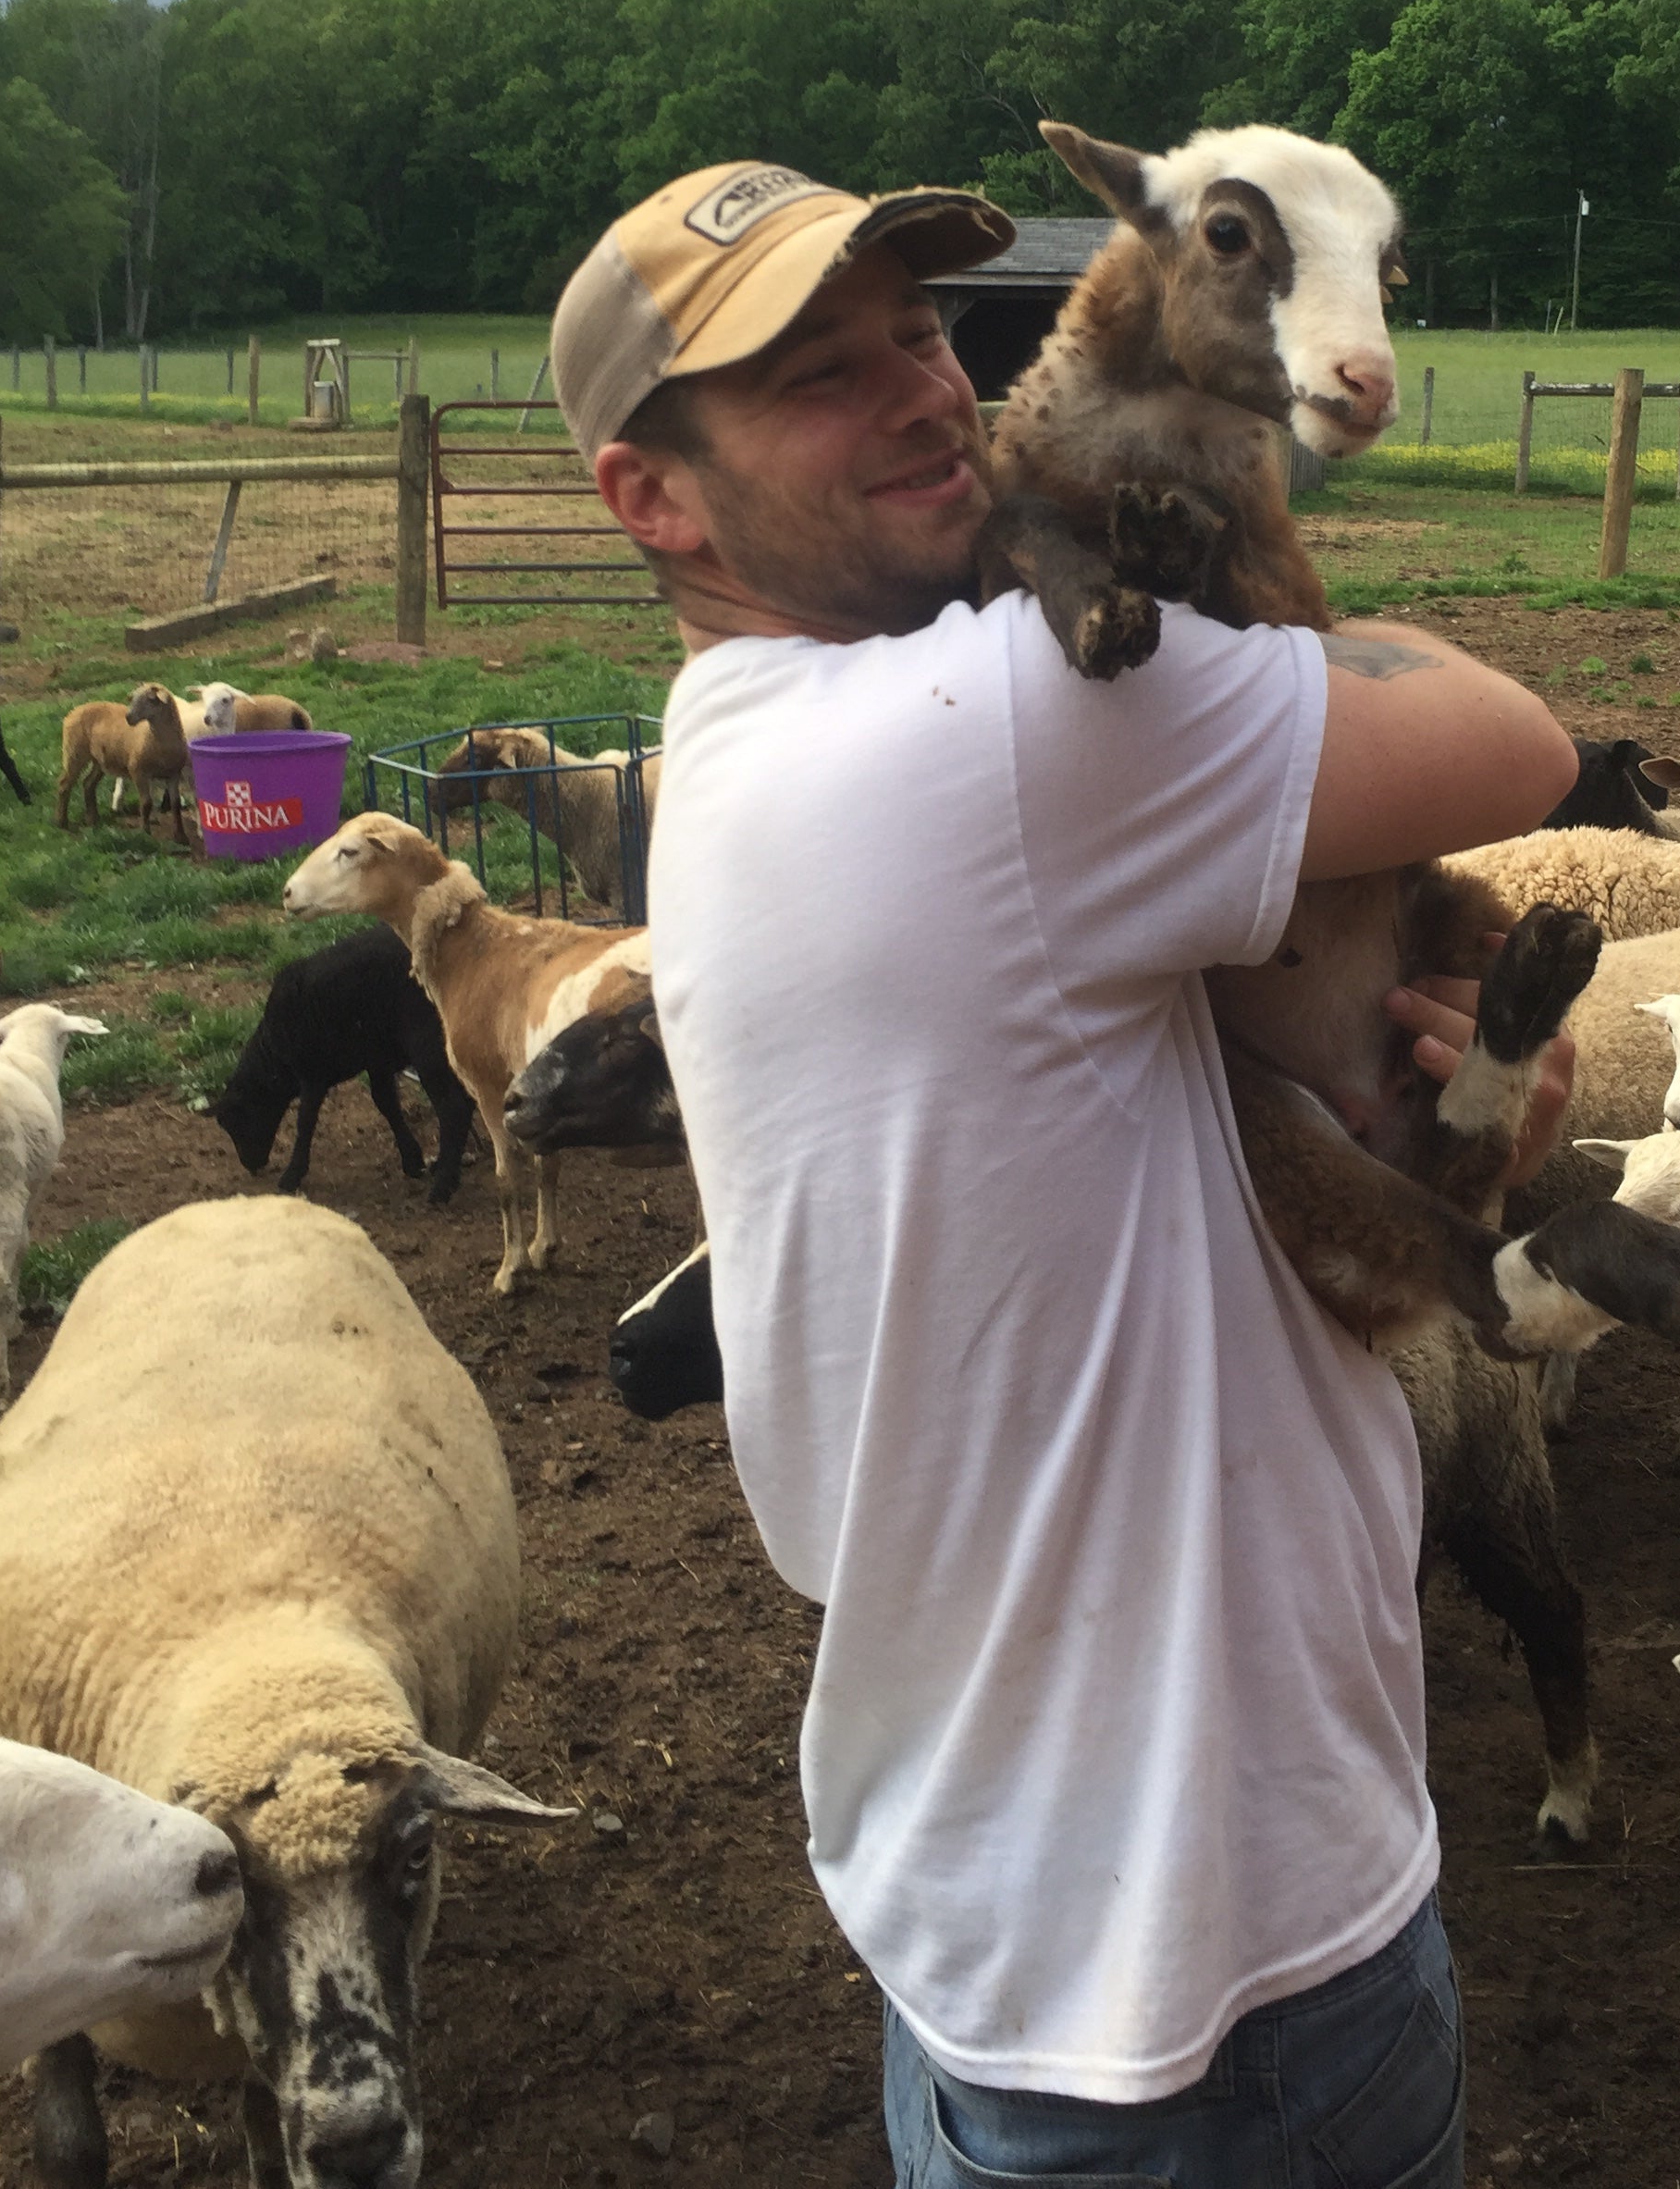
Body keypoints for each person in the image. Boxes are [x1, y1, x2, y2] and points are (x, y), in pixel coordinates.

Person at [552, 158, 1579, 2189]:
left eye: (926, 330)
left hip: (992, 1925)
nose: (925, 390)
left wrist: (1445, 1108)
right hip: (1230, 1984)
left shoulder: (732, 759)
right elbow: (1515, 740)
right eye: (819, 377)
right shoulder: (984, 735)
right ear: (651, 498)